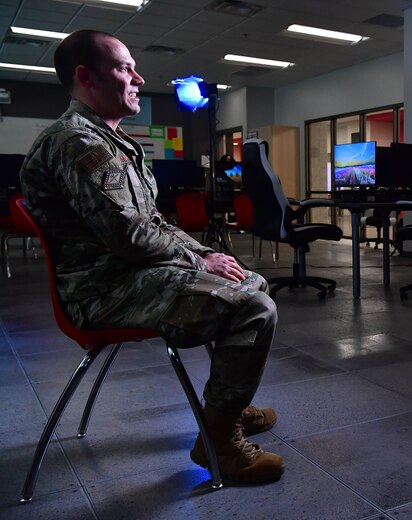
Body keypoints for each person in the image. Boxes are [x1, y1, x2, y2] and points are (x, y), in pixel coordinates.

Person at [19, 30, 284, 483]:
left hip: (133, 274)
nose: (139, 78)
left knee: (249, 281)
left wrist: (206, 254)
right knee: (253, 306)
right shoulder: (77, 143)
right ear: (86, 76)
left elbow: (154, 224)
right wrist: (201, 263)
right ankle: (219, 443)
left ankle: (228, 406)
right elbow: (130, 238)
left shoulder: (109, 140)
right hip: (103, 291)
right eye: (125, 68)